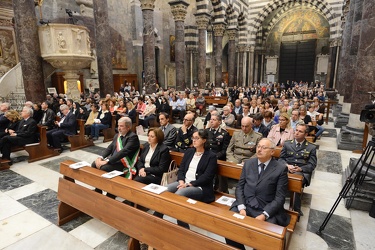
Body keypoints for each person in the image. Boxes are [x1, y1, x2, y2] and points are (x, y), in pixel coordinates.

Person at [225, 138, 290, 248]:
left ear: (272, 152)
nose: (259, 150)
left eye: (264, 148)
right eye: (258, 146)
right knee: (229, 228)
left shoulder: (280, 169)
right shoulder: (249, 163)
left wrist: (264, 215)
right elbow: (240, 187)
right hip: (245, 205)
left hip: (265, 208)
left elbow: (280, 198)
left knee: (264, 237)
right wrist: (241, 207)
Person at [155, 129, 217, 228]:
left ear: (204, 140)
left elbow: (207, 177)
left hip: (199, 187)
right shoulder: (189, 151)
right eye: (193, 138)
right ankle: (156, 220)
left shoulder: (211, 156)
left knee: (179, 194)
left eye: (197, 138)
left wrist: (188, 185)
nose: (194, 140)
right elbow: (182, 169)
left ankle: (184, 228)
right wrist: (181, 181)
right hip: (183, 182)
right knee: (164, 190)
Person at [92, 117, 140, 197]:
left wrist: (107, 161)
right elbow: (110, 148)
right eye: (118, 126)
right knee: (94, 164)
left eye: (121, 126)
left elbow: (123, 152)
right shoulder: (117, 135)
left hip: (124, 164)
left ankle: (111, 193)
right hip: (115, 161)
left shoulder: (133, 137)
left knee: (104, 168)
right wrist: (101, 157)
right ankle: (98, 189)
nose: (119, 128)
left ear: (128, 127)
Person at [279, 124, 317, 215]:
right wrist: (287, 165)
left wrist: (300, 168)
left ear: (306, 134)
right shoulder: (288, 144)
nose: (297, 133)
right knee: (276, 178)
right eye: (296, 130)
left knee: (296, 181)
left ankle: (296, 209)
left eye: (300, 131)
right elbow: (281, 159)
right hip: (287, 168)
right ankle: (277, 205)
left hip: (300, 172)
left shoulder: (311, 147)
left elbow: (312, 164)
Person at [206, 113, 231, 193]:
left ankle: (221, 190)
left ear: (219, 122)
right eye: (211, 119)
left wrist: (214, 157)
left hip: (218, 158)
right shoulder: (206, 132)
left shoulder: (224, 134)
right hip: (206, 156)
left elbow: (224, 150)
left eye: (214, 120)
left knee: (221, 179)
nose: (211, 121)